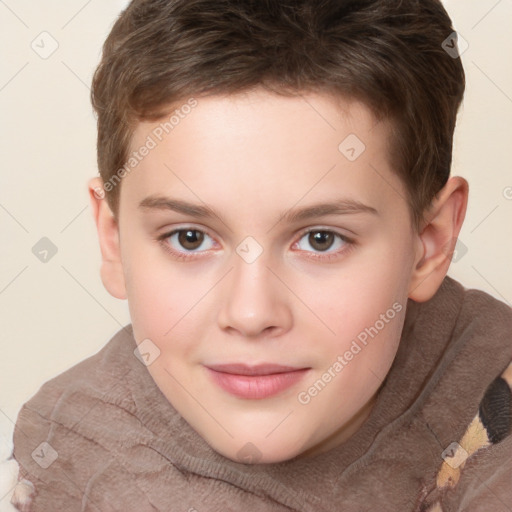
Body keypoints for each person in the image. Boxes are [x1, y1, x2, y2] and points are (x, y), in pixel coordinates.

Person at [10, 0, 512, 510]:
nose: (250, 314)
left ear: (429, 242)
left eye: (321, 239)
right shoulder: (71, 454)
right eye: (189, 238)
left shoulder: (497, 405)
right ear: (113, 241)